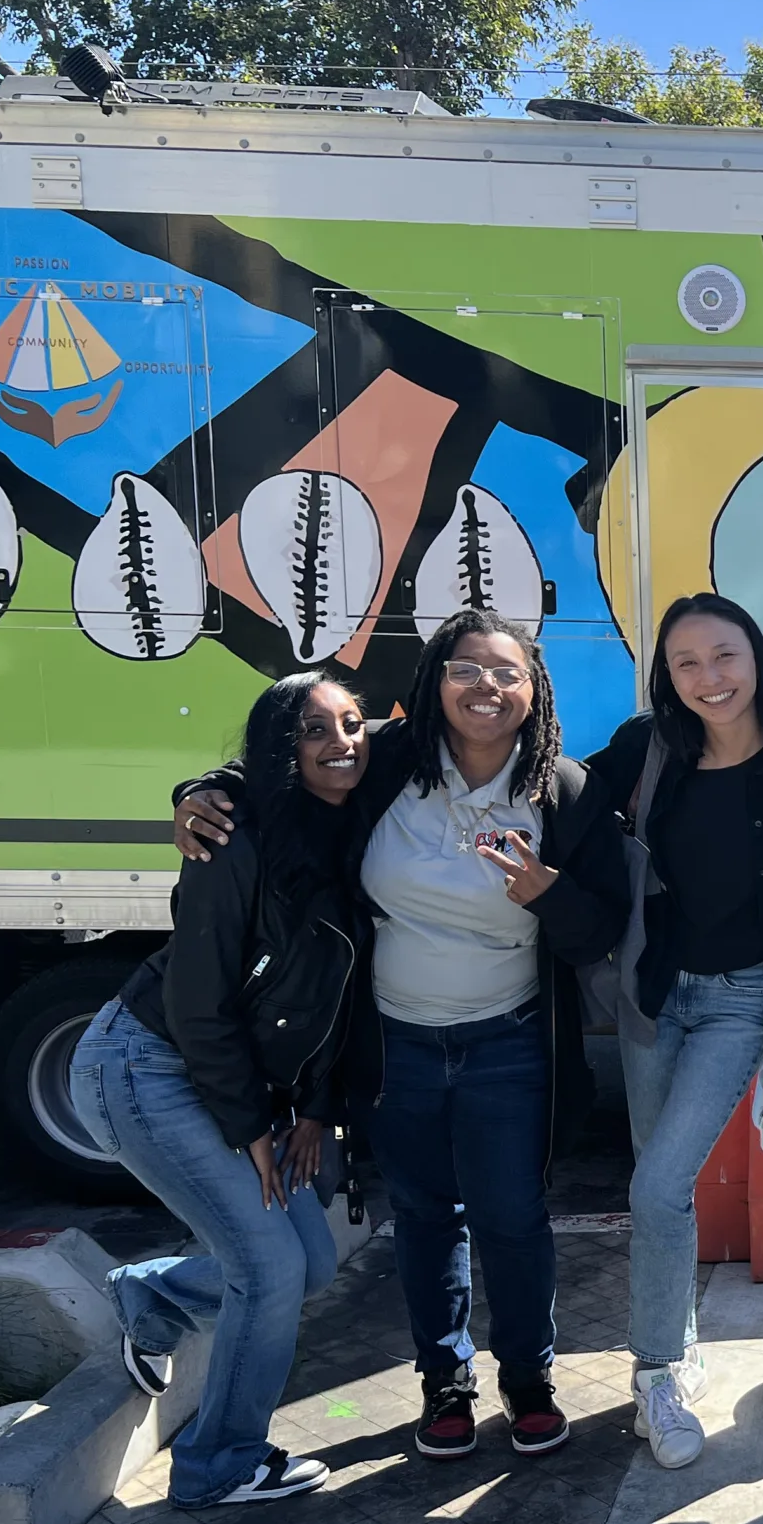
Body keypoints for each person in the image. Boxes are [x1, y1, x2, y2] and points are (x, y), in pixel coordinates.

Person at [172, 609, 628, 1465]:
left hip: (509, 1045)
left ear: (534, 693)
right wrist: (198, 795)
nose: (486, 688)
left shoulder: (562, 791)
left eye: (508, 674)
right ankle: (444, 1387)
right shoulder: (388, 763)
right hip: (397, 1048)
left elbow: (600, 929)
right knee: (422, 1219)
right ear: (434, 682)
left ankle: (528, 1382)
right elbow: (288, 761)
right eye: (466, 669)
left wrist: (546, 894)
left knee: (513, 1220)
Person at [71, 674, 370, 1506]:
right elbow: (198, 1006)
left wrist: (314, 1108)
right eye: (315, 730)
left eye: (352, 723)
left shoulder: (346, 821)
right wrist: (256, 1127)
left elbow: (332, 992)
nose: (341, 741)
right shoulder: (233, 839)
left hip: (237, 1078)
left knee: (308, 1263)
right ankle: (219, 1466)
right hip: (148, 1068)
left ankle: (154, 1295)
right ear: (281, 748)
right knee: (269, 1270)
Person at [584, 593, 763, 1470]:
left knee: (656, 1189)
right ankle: (681, 1343)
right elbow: (554, 789)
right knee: (665, 1190)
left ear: (758, 657)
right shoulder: (647, 747)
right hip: (653, 992)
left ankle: (653, 1375)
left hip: (741, 1000)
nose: (709, 679)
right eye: (686, 663)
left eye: (724, 656)